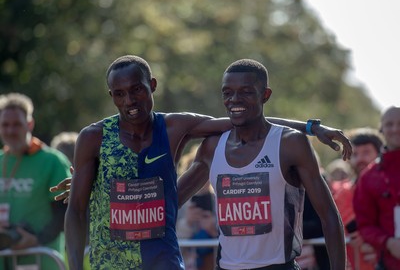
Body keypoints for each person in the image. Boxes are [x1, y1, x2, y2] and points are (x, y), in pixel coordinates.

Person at [55, 55, 351, 270]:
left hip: (169, 260)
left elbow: (248, 117)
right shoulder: (95, 138)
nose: (130, 101)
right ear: (111, 96)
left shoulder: (174, 127)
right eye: (119, 94)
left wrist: (312, 128)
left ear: (152, 86)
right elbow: (79, 210)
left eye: (137, 90)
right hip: (115, 261)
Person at [178, 59, 346, 270]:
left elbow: (329, 216)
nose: (234, 100)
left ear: (265, 95)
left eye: (246, 92)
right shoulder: (212, 146)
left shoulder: (290, 144)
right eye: (227, 93)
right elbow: (170, 202)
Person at [0, 93, 71, 269]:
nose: (10, 131)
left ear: (30, 124)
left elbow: (66, 211)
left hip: (42, 259)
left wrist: (37, 239)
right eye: (5, 125)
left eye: (17, 124)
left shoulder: (52, 161)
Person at [353, 106, 400, 270]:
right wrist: (388, 242)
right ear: (381, 129)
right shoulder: (368, 177)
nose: (395, 129)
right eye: (390, 124)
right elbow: (365, 225)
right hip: (389, 263)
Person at [333, 128, 383, 270]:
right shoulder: (344, 192)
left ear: (380, 154)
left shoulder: (392, 187)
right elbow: (355, 227)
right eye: (355, 154)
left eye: (366, 152)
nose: (360, 159)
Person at [176, 145, 218, 270]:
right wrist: (187, 222)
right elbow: (173, 235)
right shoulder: (178, 201)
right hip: (188, 260)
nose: (201, 180)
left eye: (205, 173)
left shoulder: (218, 200)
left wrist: (213, 228)